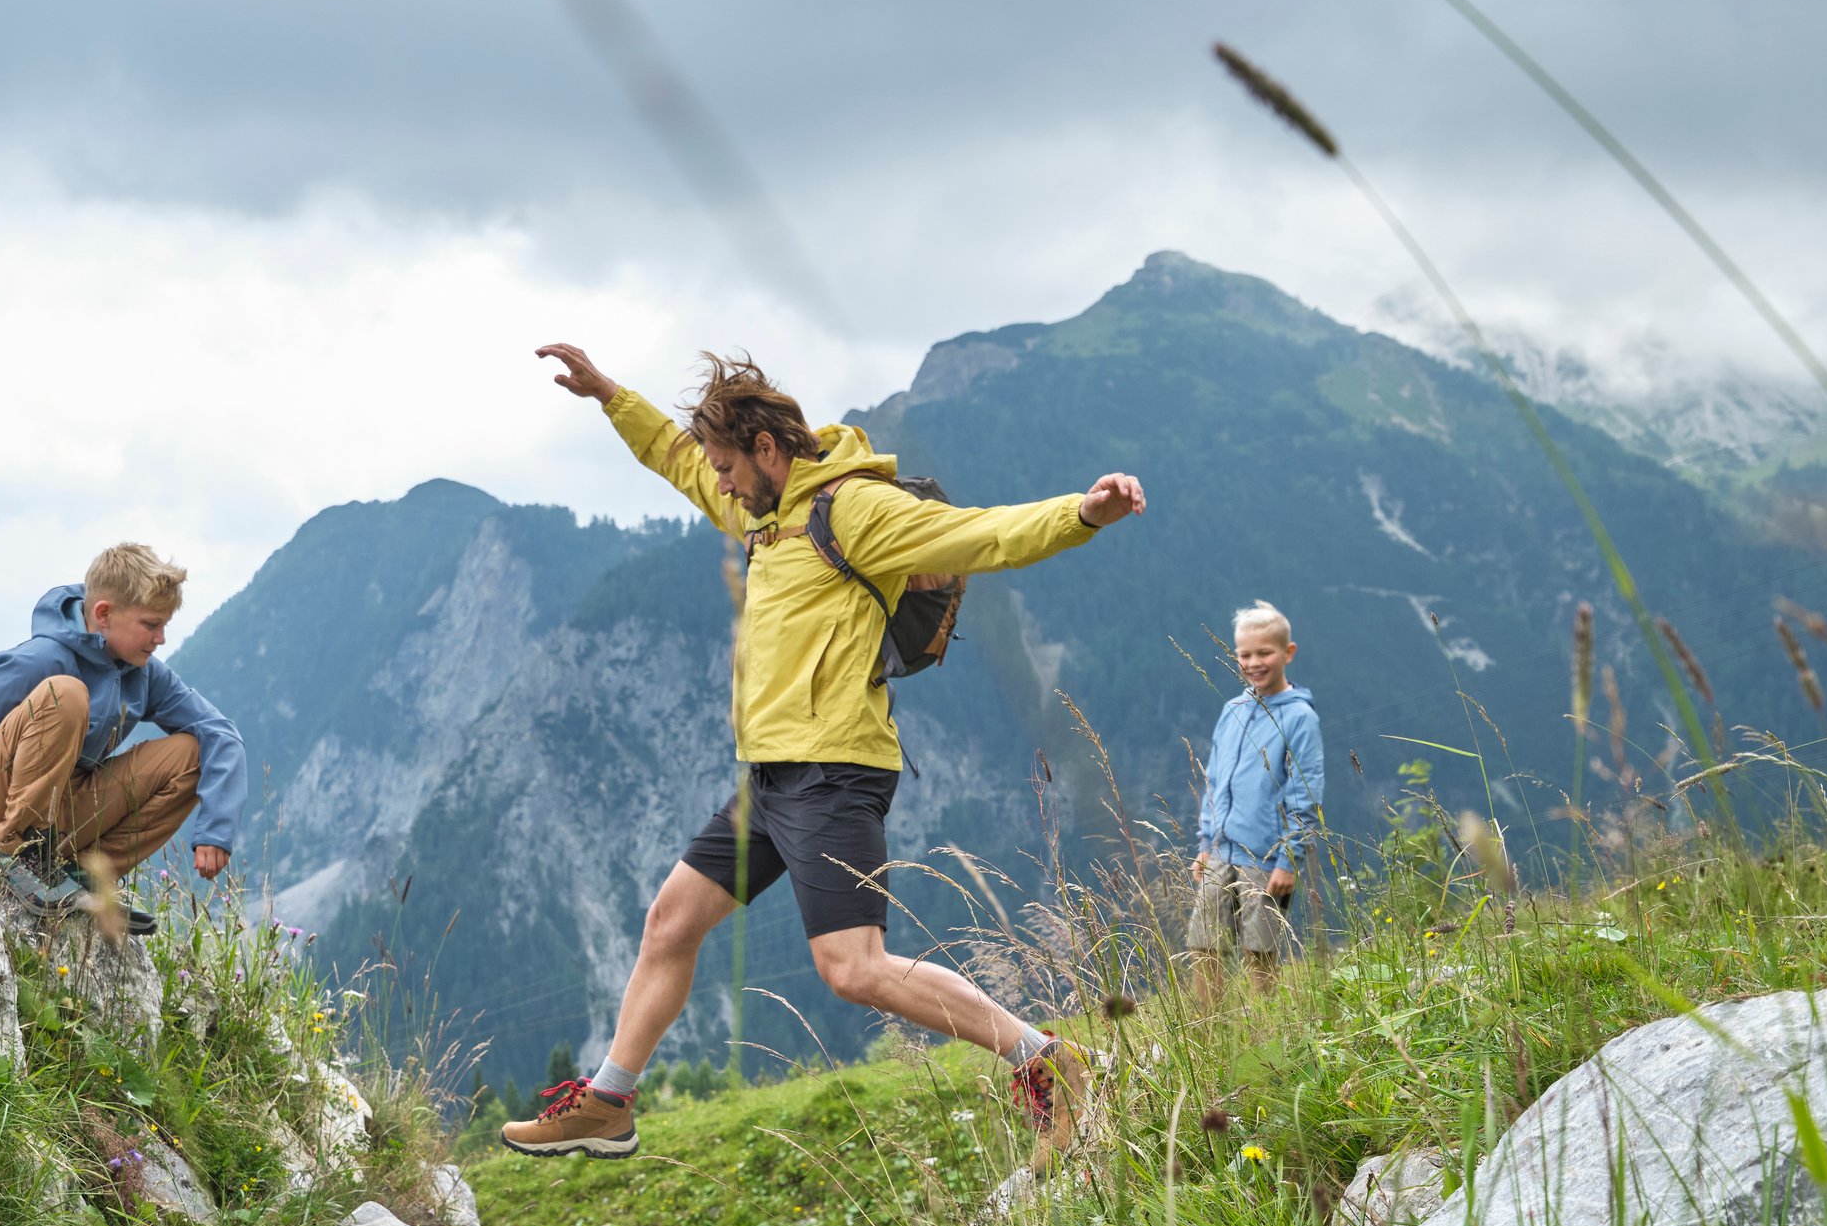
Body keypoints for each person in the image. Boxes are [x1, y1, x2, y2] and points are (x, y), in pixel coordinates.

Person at [498, 343, 1146, 1158]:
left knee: (853, 967)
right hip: (772, 777)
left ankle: (1049, 1063)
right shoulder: (761, 515)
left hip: (834, 772)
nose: (721, 483)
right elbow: (675, 460)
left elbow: (976, 535)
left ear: (768, 451)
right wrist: (607, 394)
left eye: (730, 465)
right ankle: (609, 1103)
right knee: (669, 922)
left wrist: (1080, 515)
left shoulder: (853, 511)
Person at [0, 543, 247, 933]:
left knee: (191, 753)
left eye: (164, 625)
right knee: (67, 694)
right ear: (104, 613)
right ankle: (17, 856)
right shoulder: (43, 658)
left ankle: (82, 874)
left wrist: (216, 830)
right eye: (150, 624)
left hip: (62, 815)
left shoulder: (143, 673)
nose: (161, 637)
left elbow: (219, 732)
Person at [1189, 601, 1323, 989]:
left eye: (1265, 652)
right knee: (1204, 947)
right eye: (1245, 654)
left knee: (1259, 951)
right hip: (1220, 852)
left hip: (1266, 858)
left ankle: (1268, 1035)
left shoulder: (1299, 717)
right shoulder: (1232, 710)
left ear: (1287, 653)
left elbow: (1306, 792)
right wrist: (1205, 843)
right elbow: (1215, 781)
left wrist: (1288, 860)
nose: (1254, 662)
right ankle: (1207, 1035)